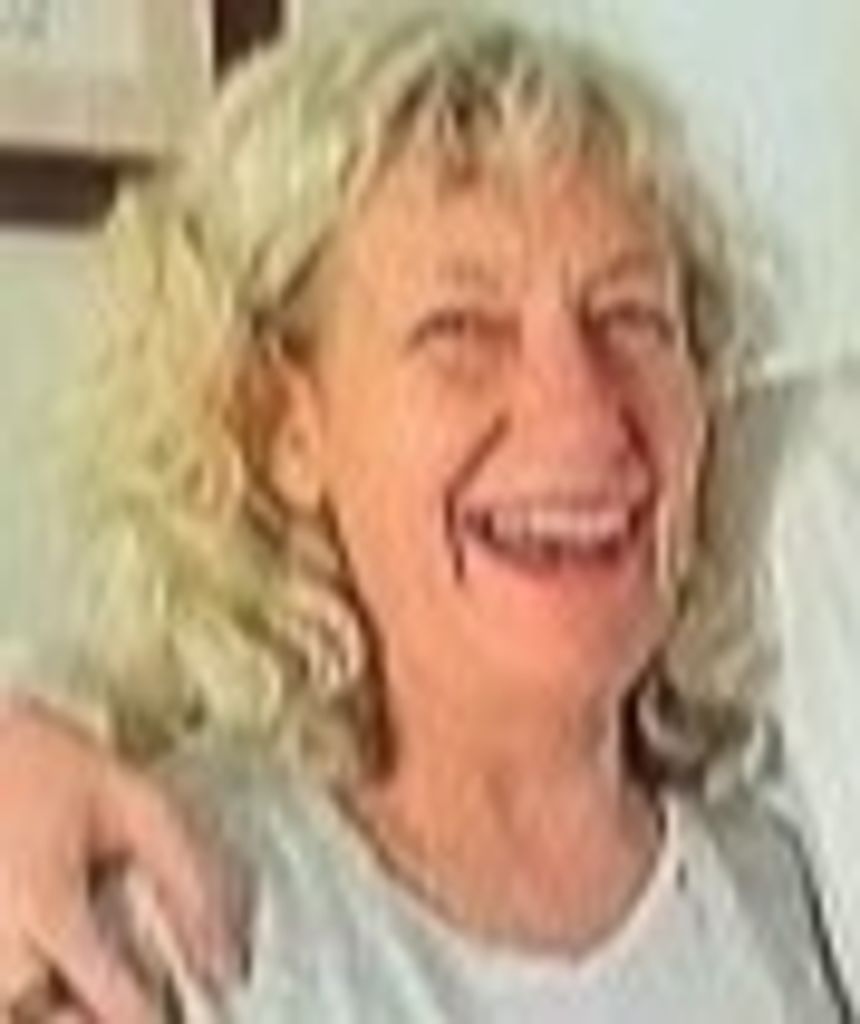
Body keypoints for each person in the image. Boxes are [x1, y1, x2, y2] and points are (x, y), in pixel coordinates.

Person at [0, 4, 852, 1021]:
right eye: (463, 330)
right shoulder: (165, 913)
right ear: (283, 426)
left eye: (632, 317)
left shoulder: (791, 885)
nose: (580, 412)